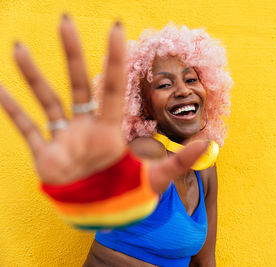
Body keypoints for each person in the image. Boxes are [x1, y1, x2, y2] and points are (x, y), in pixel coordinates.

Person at [0, 14, 232, 267]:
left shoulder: (205, 169)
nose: (183, 90)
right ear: (143, 107)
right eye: (164, 84)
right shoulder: (147, 151)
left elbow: (205, 262)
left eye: (191, 80)